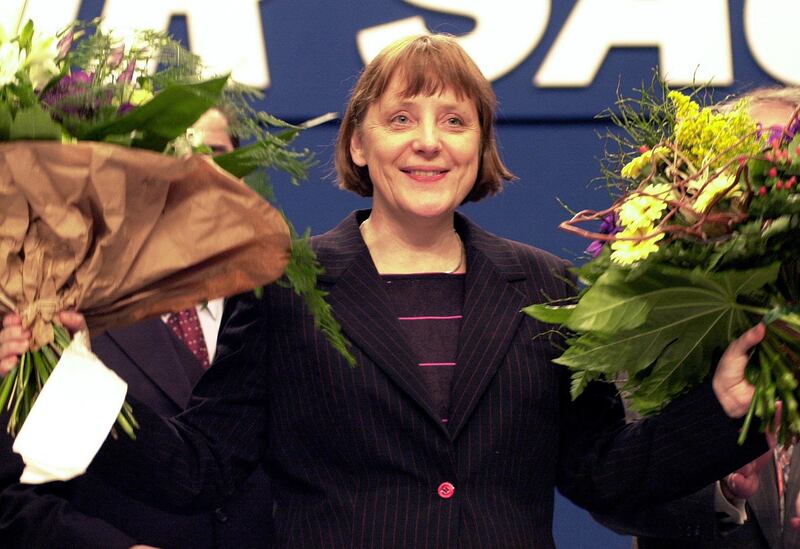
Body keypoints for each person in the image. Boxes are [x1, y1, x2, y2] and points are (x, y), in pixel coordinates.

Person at [0, 35, 771, 548]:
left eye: (454, 119)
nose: (428, 141)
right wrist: (58, 375)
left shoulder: (546, 286)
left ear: (482, 146)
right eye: (401, 117)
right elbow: (197, 470)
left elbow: (605, 472)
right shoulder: (282, 289)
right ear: (358, 143)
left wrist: (727, 406)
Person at [0, 108, 274, 549]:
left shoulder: (281, 298)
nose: (196, 173)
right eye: (173, 157)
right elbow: (13, 496)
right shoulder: (50, 312)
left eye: (215, 154)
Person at [594, 87, 800, 549]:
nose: (770, 190)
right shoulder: (655, 315)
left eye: (787, 166)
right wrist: (723, 488)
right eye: (752, 167)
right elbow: (613, 489)